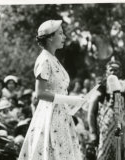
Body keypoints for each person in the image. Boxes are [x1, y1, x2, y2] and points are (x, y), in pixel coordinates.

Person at [18, 20, 84, 160]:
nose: (64, 37)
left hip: (60, 114)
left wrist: (75, 103)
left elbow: (58, 90)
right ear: (50, 38)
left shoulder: (52, 58)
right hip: (50, 115)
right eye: (60, 33)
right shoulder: (44, 60)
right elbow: (40, 93)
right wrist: (71, 99)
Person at [87, 57, 125, 160]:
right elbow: (91, 111)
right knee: (104, 154)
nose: (113, 72)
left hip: (123, 128)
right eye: (111, 70)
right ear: (106, 72)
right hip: (105, 129)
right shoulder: (101, 86)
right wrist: (93, 133)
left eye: (116, 70)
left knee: (122, 155)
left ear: (120, 72)